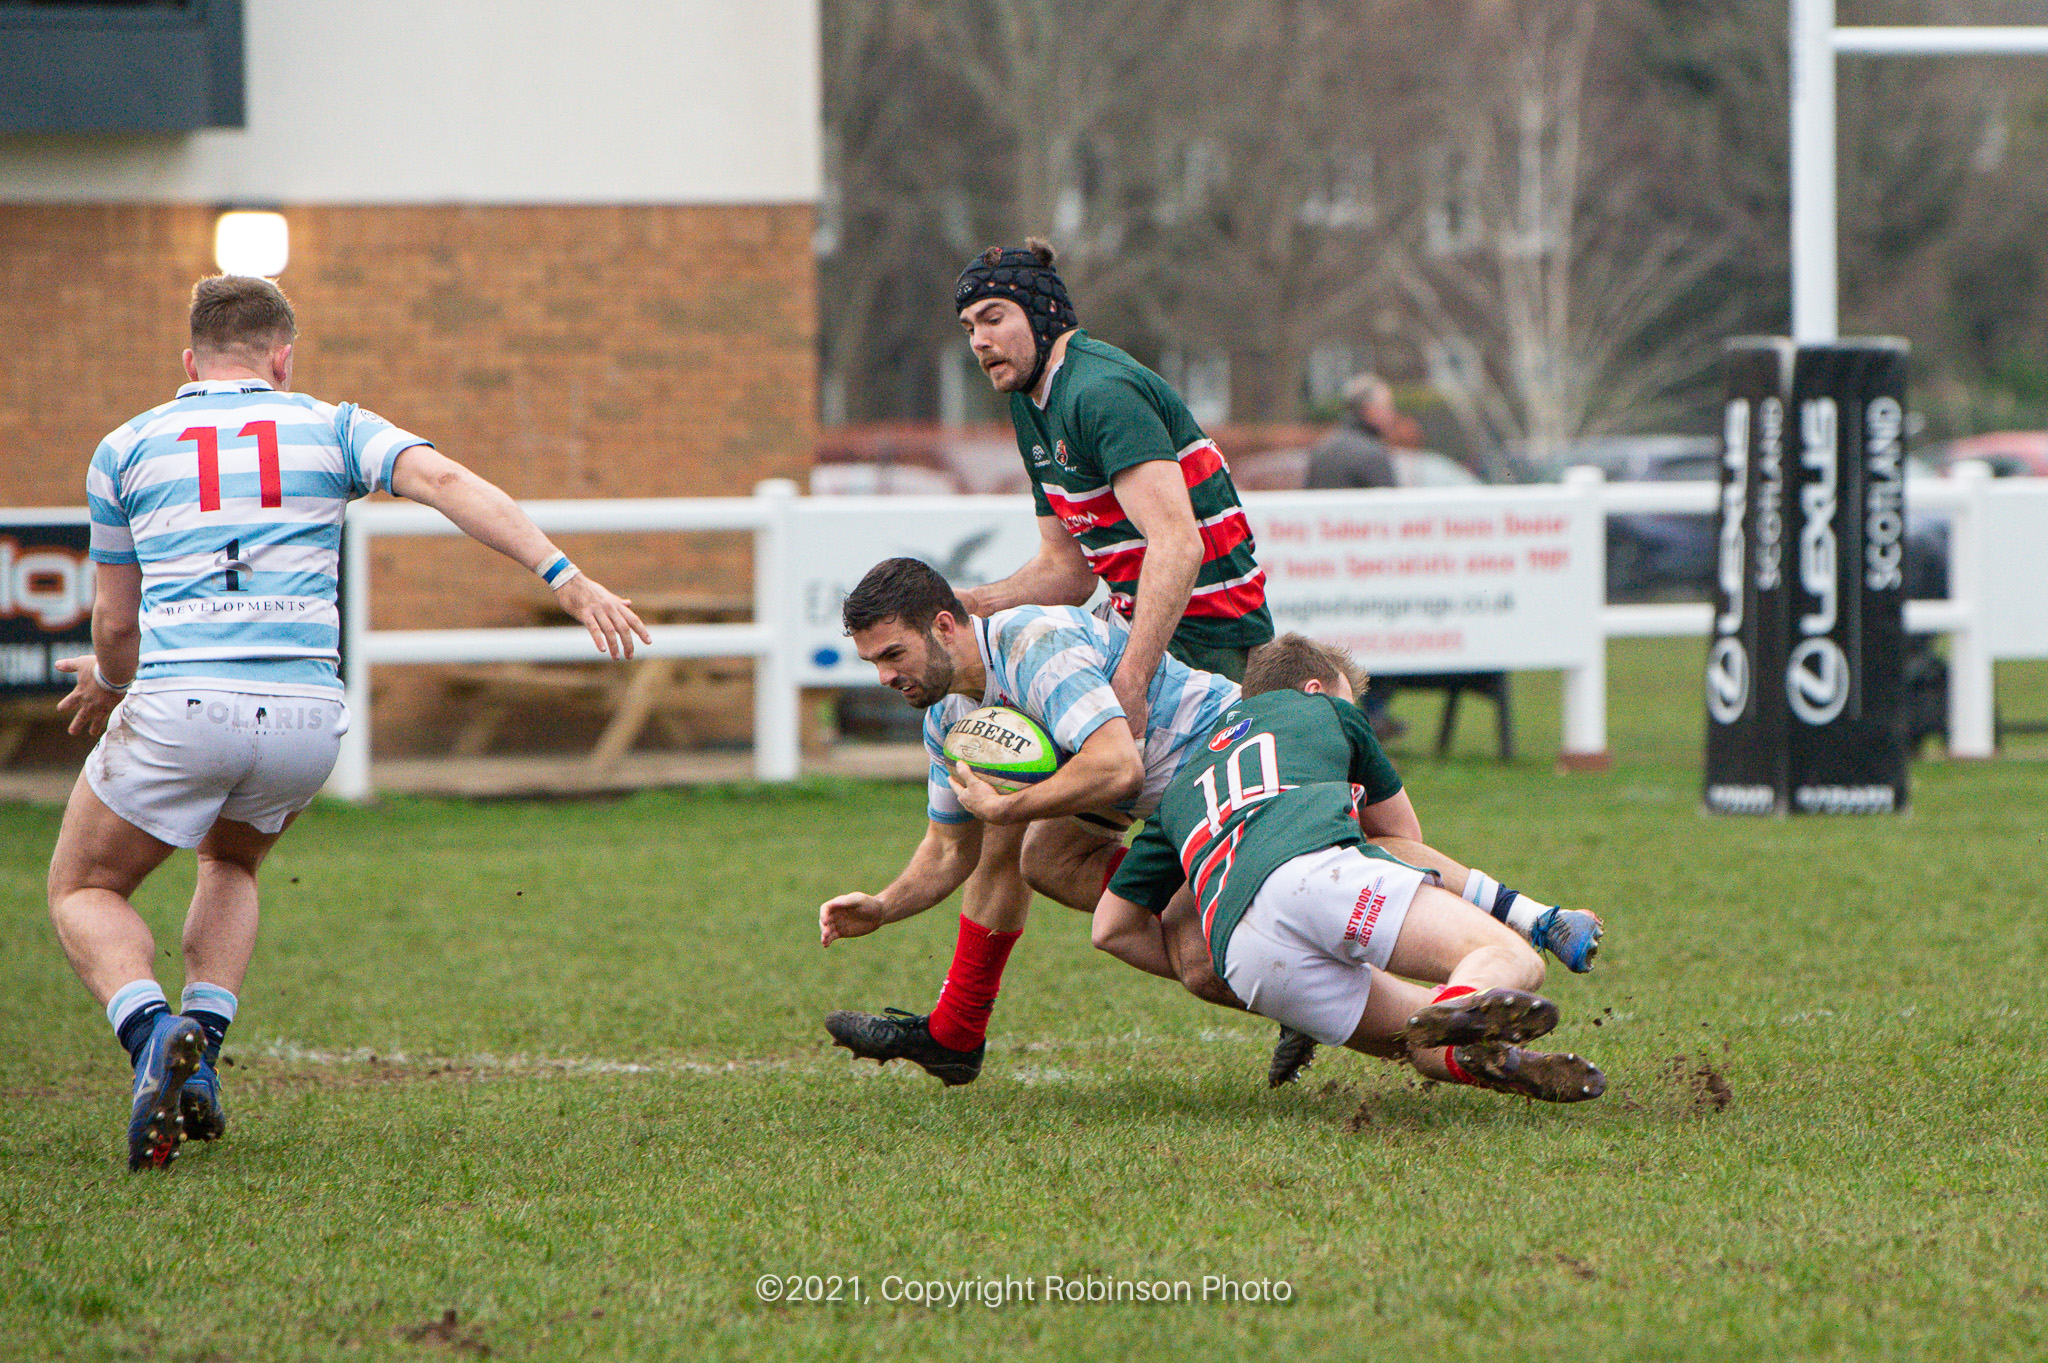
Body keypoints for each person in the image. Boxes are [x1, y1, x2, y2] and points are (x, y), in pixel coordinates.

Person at [49, 274, 651, 1171]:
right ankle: (201, 1055)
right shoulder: (331, 423)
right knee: (230, 860)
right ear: (282, 359)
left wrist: (106, 680)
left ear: (190, 360)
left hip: (183, 702)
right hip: (304, 716)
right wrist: (566, 577)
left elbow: (117, 624)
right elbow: (445, 480)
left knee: (83, 888)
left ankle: (151, 1036)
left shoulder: (125, 447)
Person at [1092, 636, 1606, 1104]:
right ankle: (1474, 991)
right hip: (1314, 874)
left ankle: (1496, 1056)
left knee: (1418, 1040)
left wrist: (1208, 967)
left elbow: (1110, 929)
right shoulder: (1324, 712)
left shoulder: (1182, 787)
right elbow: (1402, 840)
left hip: (1243, 957)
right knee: (1508, 959)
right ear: (1316, 688)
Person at [816, 557, 1241, 1085]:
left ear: (944, 627)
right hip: (1168, 792)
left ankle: (1295, 979)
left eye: (894, 654)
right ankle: (1264, 962)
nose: (884, 677)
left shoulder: (1033, 649)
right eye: (872, 662)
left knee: (1211, 959)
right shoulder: (948, 718)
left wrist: (1008, 807)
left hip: (1232, 758)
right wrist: (882, 906)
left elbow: (1116, 767)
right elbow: (950, 850)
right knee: (1050, 860)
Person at [950, 239, 1272, 696]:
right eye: (968, 328)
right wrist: (976, 604)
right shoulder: (1030, 406)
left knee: (1095, 764)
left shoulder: (1100, 391)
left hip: (1212, 648)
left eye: (994, 318)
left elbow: (1178, 545)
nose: (979, 340)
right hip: (1141, 636)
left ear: (1043, 315)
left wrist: (1133, 680)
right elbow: (1068, 569)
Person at [1304, 372, 1414, 491]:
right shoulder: (1373, 455)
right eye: (1387, 407)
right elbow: (1390, 505)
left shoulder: (1323, 447)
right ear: (1369, 409)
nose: (1392, 414)